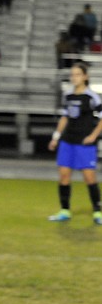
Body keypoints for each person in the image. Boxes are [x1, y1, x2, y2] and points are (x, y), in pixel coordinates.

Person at [47, 62, 102, 225]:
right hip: (67, 141)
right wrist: (56, 137)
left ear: (85, 76)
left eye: (77, 74)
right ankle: (65, 210)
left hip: (84, 143)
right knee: (64, 175)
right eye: (72, 74)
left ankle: (97, 212)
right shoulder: (68, 95)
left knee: (89, 177)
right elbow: (65, 117)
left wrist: (93, 136)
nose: (74, 77)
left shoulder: (92, 97)